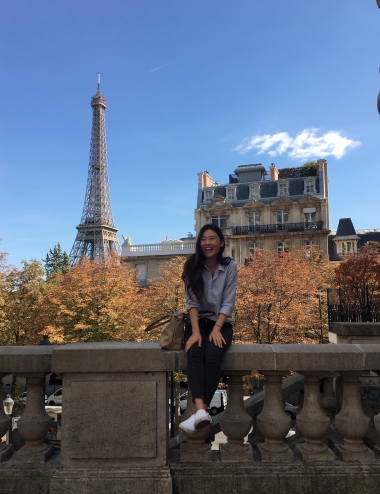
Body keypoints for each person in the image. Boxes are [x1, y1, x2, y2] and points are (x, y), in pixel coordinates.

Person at [179, 224, 237, 434]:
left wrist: (217, 328)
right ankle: (202, 410)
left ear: (221, 242)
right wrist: (195, 332)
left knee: (213, 353)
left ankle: (198, 413)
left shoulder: (230, 266)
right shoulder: (191, 265)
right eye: (203, 239)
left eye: (212, 238)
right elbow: (191, 302)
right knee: (194, 352)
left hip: (221, 321)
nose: (207, 243)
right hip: (196, 321)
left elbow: (228, 302)